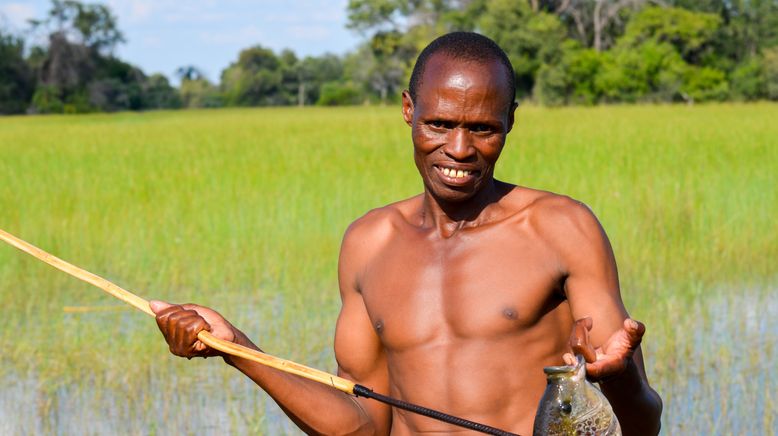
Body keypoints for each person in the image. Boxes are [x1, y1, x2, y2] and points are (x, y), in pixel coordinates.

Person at [150, 32, 662, 435]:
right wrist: (237, 348)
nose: (459, 149)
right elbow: (364, 425)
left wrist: (621, 380)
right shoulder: (368, 243)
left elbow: (640, 427)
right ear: (408, 111)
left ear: (510, 120)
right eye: (439, 124)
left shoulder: (561, 228)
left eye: (483, 128)